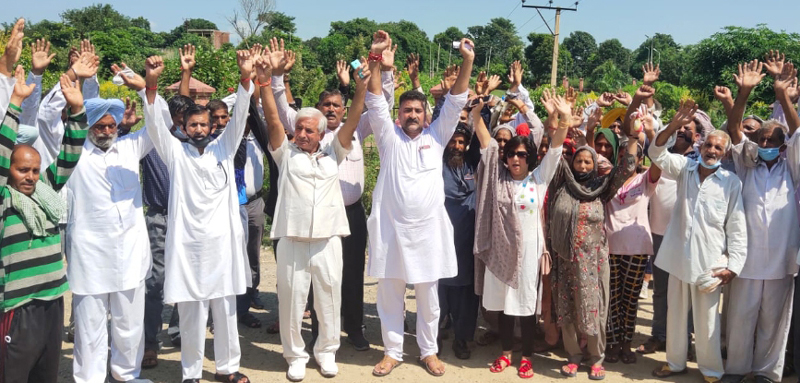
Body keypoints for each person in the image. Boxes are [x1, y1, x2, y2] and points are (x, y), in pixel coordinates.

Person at [267, 37, 395, 350]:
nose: (333, 109)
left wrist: (384, 73)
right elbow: (280, 112)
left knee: (350, 275)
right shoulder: (308, 134)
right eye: (327, 105)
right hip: (313, 218)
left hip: (348, 213)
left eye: (338, 105)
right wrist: (276, 77)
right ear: (320, 111)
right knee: (312, 279)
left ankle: (354, 328)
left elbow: (383, 106)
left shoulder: (355, 129)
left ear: (344, 109)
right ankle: (315, 335)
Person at [365, 30, 473, 377]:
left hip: (427, 233)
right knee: (390, 296)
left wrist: (467, 62)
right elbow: (375, 101)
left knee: (429, 298)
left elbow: (455, 102)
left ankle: (429, 351)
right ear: (398, 115)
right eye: (406, 110)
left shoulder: (437, 136)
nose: (412, 114)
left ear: (427, 115)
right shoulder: (387, 137)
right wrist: (376, 60)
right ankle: (393, 351)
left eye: (417, 110)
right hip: (391, 232)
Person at [140, 52, 252, 383]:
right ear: (183, 127)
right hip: (188, 250)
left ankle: (227, 369)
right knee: (191, 314)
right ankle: (190, 373)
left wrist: (245, 78)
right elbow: (153, 123)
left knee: (226, 311)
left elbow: (242, 114)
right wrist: (151, 83)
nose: (200, 128)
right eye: (193, 124)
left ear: (212, 125)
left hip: (222, 248)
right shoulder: (175, 153)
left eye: (204, 123)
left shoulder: (224, 148)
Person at [259, 49, 369, 380]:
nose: (303, 134)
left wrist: (361, 86)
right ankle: (295, 356)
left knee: (328, 298)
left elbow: (352, 119)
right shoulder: (285, 154)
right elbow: (274, 118)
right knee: (292, 301)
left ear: (321, 134)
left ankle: (326, 352)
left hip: (328, 240)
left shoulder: (333, 152)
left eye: (310, 130)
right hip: (292, 240)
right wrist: (266, 79)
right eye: (300, 129)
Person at [67, 62, 158, 383]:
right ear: (89, 125)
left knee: (129, 325)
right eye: (101, 126)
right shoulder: (74, 154)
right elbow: (51, 125)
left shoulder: (130, 147)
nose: (107, 131)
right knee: (90, 327)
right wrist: (75, 80)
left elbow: (158, 129)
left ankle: (126, 375)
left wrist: (145, 87)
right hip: (89, 258)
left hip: (129, 256)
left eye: (112, 125)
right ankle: (89, 379)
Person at [0, 63, 88, 383]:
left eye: (35, 170)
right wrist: (15, 104)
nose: (31, 177)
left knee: (45, 376)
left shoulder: (47, 190)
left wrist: (77, 108)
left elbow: (70, 152)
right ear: (9, 170)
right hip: (17, 308)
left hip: (53, 304)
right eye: (23, 170)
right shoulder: (4, 197)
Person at [649, 100, 746, 383]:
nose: (712, 151)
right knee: (675, 316)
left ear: (725, 153)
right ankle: (675, 363)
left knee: (706, 322)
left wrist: (733, 265)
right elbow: (656, 152)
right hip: (679, 257)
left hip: (709, 263)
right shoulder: (685, 169)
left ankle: (711, 371)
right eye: (709, 146)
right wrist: (673, 126)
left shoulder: (731, 183)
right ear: (701, 147)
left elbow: (737, 228)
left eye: (718, 148)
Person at [473, 92, 569, 378]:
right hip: (500, 252)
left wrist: (562, 118)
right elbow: (484, 139)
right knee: (503, 307)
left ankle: (526, 356)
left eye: (522, 154)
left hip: (528, 255)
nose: (516, 158)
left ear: (529, 158)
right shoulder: (496, 174)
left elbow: (555, 148)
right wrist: (477, 112)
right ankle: (505, 353)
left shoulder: (538, 179)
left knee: (526, 306)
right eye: (511, 153)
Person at [549, 96, 639, 380]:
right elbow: (552, 154)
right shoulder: (562, 181)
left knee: (594, 309)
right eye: (580, 159)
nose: (584, 165)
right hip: (565, 260)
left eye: (589, 160)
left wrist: (632, 135)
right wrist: (560, 120)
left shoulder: (602, 188)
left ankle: (596, 359)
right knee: (567, 308)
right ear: (573, 161)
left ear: (596, 164)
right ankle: (573, 356)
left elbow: (627, 167)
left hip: (594, 262)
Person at [722, 59, 800, 383]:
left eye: (772, 140)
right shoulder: (746, 166)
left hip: (782, 262)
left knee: (773, 324)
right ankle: (737, 370)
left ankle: (768, 373)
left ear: (783, 146)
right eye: (762, 139)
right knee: (741, 319)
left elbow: (797, 133)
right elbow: (734, 129)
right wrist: (743, 93)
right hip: (748, 262)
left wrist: (783, 97)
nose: (765, 143)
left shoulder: (792, 169)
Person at [604, 86, 663, 365]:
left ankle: (626, 344)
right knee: (612, 300)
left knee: (630, 300)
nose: (631, 160)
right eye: (627, 156)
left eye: (637, 156)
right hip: (611, 246)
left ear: (642, 158)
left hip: (638, 248)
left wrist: (648, 136)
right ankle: (613, 344)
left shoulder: (645, 181)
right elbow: (625, 157)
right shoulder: (609, 181)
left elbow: (658, 162)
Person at [438, 121, 480, 360]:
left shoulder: (473, 163)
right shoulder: (436, 164)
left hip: (467, 237)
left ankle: (463, 338)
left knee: (466, 289)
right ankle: (433, 338)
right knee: (440, 287)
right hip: (442, 235)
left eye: (461, 142)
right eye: (453, 141)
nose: (456, 145)